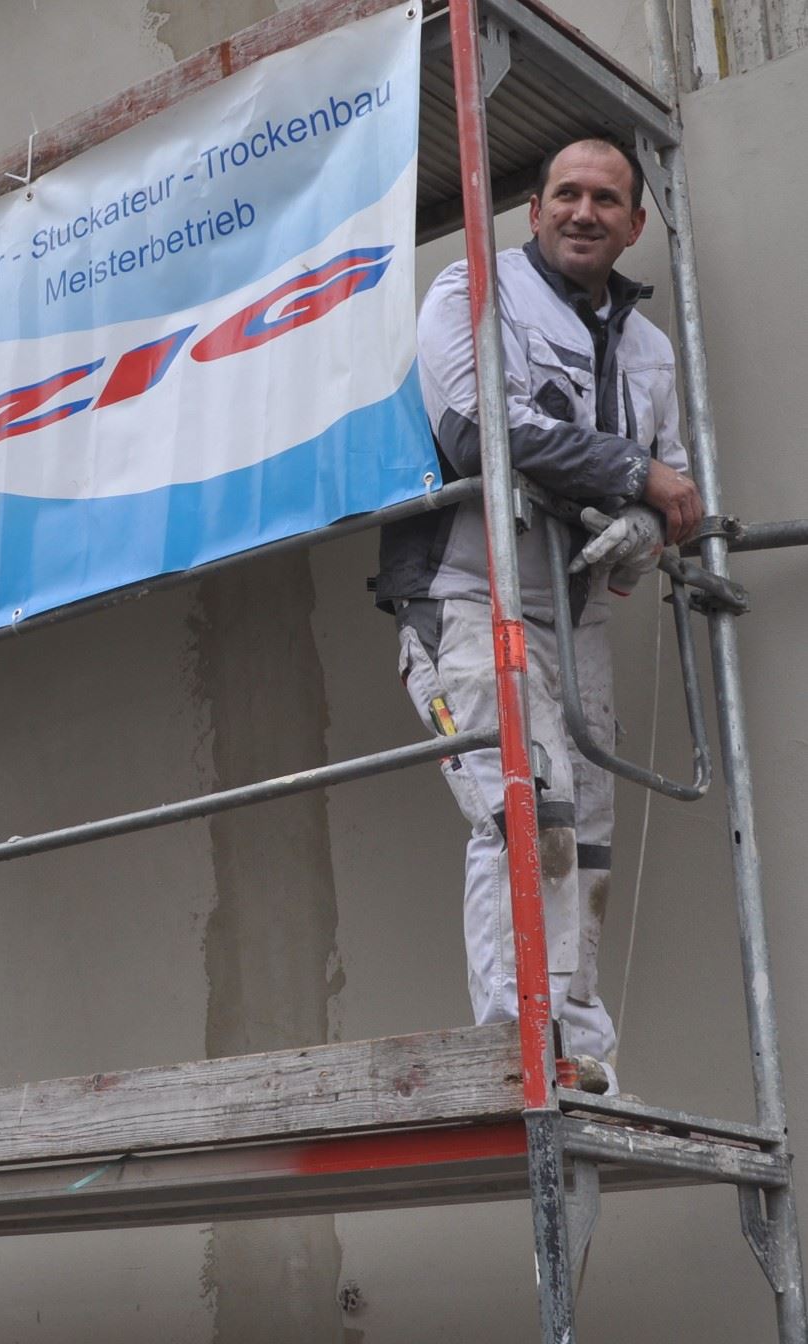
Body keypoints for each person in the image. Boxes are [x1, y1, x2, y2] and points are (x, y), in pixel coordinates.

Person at [375, 138, 704, 1093]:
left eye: (605, 199)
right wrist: (633, 475)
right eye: (566, 193)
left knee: (585, 834)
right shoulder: (472, 290)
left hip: (575, 617)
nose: (582, 212)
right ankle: (518, 1048)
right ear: (534, 209)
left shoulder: (651, 351)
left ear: (633, 225)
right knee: (529, 810)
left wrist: (647, 525)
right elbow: (475, 428)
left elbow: (678, 488)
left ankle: (580, 1056)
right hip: (467, 598)